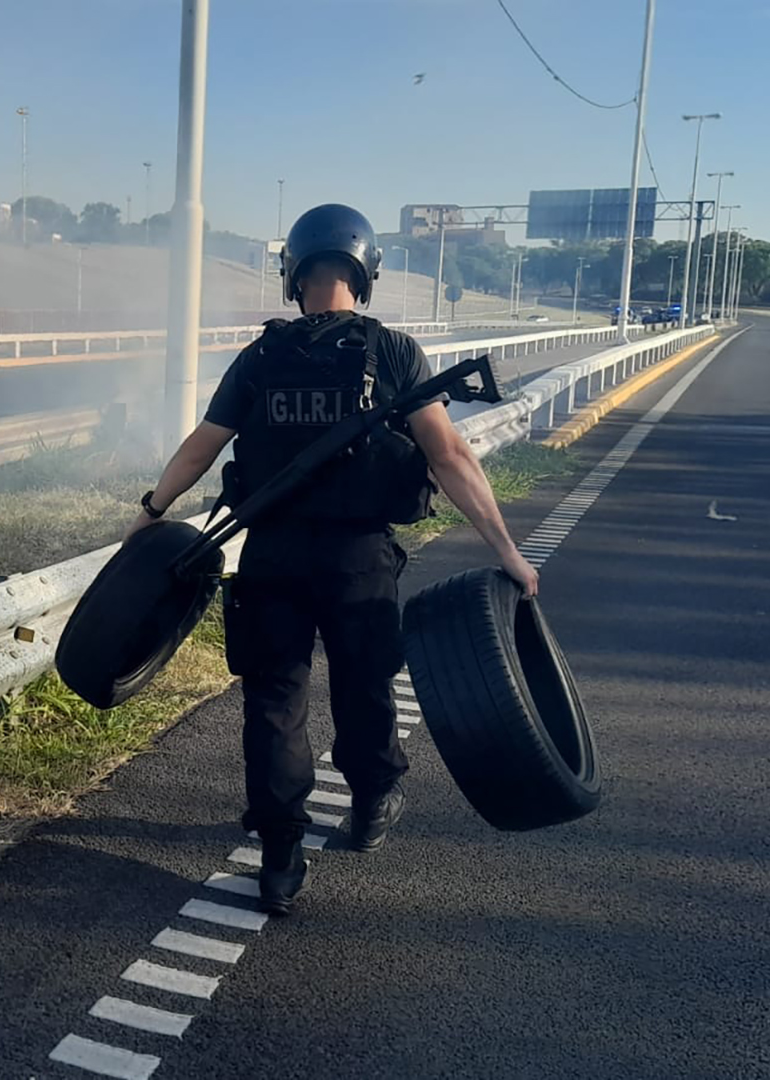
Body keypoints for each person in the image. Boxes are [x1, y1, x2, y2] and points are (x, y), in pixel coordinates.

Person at [125, 204, 538, 913]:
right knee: (364, 686)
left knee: (274, 701)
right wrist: (509, 551)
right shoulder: (395, 352)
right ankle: (373, 800)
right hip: (359, 560)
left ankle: (280, 854)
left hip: (273, 556)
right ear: (366, 271)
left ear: (293, 274)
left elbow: (203, 445)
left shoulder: (260, 357)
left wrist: (152, 512)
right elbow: (449, 456)